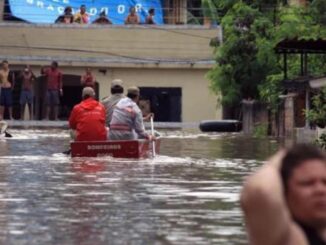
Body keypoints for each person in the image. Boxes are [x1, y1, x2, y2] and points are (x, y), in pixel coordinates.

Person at [241, 144, 326, 245]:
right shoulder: (286, 236)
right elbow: (260, 190)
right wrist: (279, 158)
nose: (320, 190)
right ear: (285, 191)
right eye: (307, 183)